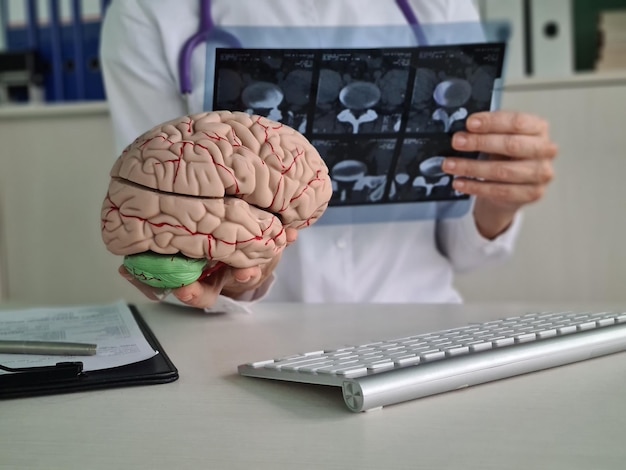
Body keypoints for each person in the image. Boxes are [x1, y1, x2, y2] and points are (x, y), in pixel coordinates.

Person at [100, 0, 558, 308]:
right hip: (242, 344)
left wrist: (497, 203)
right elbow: (156, 214)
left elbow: (466, 254)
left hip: (419, 326)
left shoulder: (441, 5)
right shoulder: (149, 11)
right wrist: (220, 268)